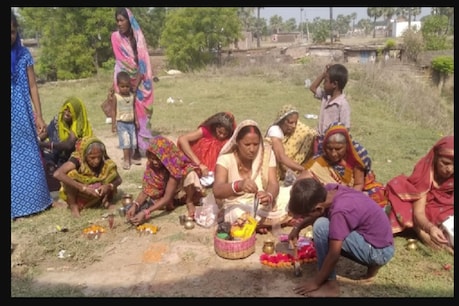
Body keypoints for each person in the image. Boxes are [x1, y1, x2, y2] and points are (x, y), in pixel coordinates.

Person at [288, 178, 394, 297]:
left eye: (305, 215)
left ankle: (331, 286)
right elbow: (320, 212)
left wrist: (315, 282)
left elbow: (334, 254)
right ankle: (371, 268)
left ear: (318, 208)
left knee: (322, 226)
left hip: (378, 252)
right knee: (325, 225)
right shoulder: (329, 191)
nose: (304, 218)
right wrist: (298, 227)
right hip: (379, 243)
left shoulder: (340, 211)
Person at [212, 119, 291, 233]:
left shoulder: (266, 154)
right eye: (247, 144)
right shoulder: (225, 159)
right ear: (237, 142)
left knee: (292, 193)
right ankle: (276, 220)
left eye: (256, 144)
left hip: (262, 204)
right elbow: (217, 190)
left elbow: (274, 183)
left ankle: (256, 224)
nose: (252, 149)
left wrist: (268, 196)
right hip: (237, 205)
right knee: (237, 214)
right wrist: (238, 185)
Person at [11, 10, 53, 219]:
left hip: (22, 112)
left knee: (28, 152)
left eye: (11, 32)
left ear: (16, 31)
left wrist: (39, 115)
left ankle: (37, 201)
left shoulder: (24, 55)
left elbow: (33, 87)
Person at [385, 135, 454, 254]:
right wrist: (429, 229)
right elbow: (419, 213)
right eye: (445, 163)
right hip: (422, 212)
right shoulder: (425, 175)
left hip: (445, 213)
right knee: (405, 208)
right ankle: (419, 231)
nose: (450, 169)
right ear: (435, 157)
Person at [300, 122, 387, 208]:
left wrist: (345, 198)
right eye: (329, 148)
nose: (333, 153)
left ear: (347, 145)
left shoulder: (355, 159)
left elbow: (358, 184)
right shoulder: (320, 159)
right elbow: (303, 177)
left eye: (338, 149)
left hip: (351, 193)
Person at [126, 135, 204, 225]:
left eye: (158, 159)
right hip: (166, 192)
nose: (155, 162)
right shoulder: (152, 166)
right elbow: (147, 189)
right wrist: (135, 205)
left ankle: (189, 201)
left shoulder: (174, 164)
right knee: (155, 202)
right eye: (152, 159)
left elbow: (167, 197)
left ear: (165, 156)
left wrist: (146, 212)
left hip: (180, 190)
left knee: (191, 175)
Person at [111, 7, 154, 164]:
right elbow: (120, 61)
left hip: (140, 80)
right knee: (126, 115)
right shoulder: (115, 37)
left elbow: (142, 60)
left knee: (140, 114)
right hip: (123, 80)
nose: (119, 23)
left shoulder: (138, 38)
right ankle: (129, 151)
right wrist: (124, 84)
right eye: (117, 21)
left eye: (122, 20)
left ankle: (139, 148)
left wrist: (137, 82)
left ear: (129, 21)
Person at [53, 136, 122, 217]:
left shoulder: (104, 159)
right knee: (71, 174)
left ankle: (105, 202)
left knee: (110, 169)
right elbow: (57, 174)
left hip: (98, 192)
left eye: (99, 157)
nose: (96, 161)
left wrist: (109, 186)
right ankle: (73, 206)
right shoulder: (77, 159)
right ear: (85, 155)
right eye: (92, 158)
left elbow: (119, 179)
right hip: (82, 192)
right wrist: (83, 188)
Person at [38, 96, 93, 191]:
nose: (66, 113)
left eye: (70, 111)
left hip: (72, 158)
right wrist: (37, 139)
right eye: (65, 110)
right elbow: (47, 132)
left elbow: (69, 145)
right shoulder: (58, 120)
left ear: (76, 113)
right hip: (56, 155)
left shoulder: (79, 125)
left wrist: (45, 145)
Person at [265, 104, 317, 182]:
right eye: (290, 122)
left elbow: (309, 132)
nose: (293, 126)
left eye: (295, 123)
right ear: (281, 120)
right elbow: (280, 157)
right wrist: (302, 169)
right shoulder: (275, 131)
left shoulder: (290, 131)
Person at [177, 111, 236, 176]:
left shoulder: (230, 138)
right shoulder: (206, 131)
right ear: (216, 126)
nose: (221, 136)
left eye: (225, 134)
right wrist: (199, 164)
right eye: (220, 132)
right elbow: (182, 139)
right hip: (200, 164)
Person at [309, 64, 350, 154]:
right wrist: (324, 74)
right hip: (319, 139)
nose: (323, 84)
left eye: (326, 81)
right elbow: (313, 87)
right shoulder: (326, 96)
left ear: (334, 84)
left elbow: (345, 129)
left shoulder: (342, 104)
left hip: (331, 145)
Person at [111, 71, 138, 170]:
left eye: (127, 86)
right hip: (121, 123)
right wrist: (113, 124)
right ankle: (126, 160)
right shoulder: (116, 97)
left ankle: (130, 158)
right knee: (125, 142)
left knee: (133, 142)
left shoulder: (131, 96)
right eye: (122, 86)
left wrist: (137, 121)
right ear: (118, 86)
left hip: (131, 123)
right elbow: (113, 111)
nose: (125, 88)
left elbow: (134, 108)